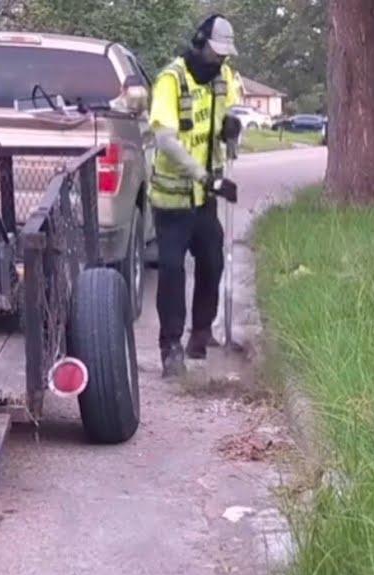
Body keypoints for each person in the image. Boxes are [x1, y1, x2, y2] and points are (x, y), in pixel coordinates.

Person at [148, 14, 244, 378]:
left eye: (224, 54)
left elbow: (224, 123)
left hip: (204, 198)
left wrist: (232, 133)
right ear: (199, 41)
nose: (220, 59)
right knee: (171, 271)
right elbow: (166, 141)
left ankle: (200, 334)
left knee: (212, 261)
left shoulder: (223, 79)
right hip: (171, 200)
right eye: (215, 51)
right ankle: (170, 348)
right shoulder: (171, 80)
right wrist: (204, 176)